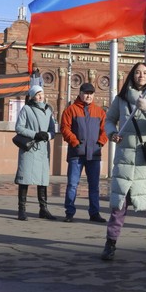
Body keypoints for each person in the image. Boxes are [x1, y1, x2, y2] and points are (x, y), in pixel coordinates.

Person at [101, 62, 146, 261]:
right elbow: (109, 120)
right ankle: (110, 244)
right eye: (138, 72)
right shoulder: (121, 99)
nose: (141, 75)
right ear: (132, 75)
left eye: (145, 72)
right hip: (125, 159)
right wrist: (112, 133)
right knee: (119, 206)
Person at [61, 82, 108, 222]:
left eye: (91, 93)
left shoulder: (99, 111)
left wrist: (100, 143)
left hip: (94, 154)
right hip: (76, 154)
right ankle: (69, 212)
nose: (88, 96)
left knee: (94, 186)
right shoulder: (71, 110)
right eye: (86, 93)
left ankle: (94, 213)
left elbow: (105, 130)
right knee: (72, 184)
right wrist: (75, 142)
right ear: (80, 93)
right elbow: (65, 129)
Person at [14, 85, 57, 221]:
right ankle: (22, 209)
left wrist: (48, 136)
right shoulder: (26, 109)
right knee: (25, 179)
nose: (40, 97)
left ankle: (43, 209)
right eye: (37, 94)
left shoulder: (48, 110)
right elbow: (19, 128)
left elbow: (52, 129)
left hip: (43, 149)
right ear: (32, 96)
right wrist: (35, 134)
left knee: (43, 180)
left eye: (41, 94)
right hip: (30, 149)